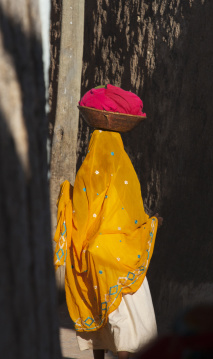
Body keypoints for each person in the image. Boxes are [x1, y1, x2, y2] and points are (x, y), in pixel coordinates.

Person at [53, 85, 162, 359]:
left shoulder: (89, 168)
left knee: (98, 313)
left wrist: (65, 194)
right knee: (126, 320)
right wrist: (152, 223)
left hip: (91, 255)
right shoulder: (123, 169)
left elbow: (79, 209)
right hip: (120, 256)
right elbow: (133, 215)